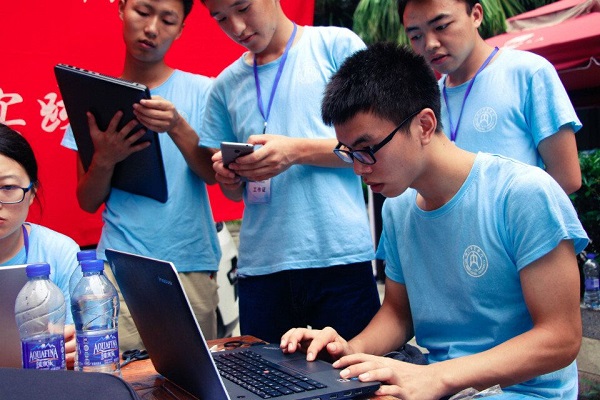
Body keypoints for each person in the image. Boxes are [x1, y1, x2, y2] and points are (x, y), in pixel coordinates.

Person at [280, 42, 589, 399]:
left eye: (368, 149)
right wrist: (349, 350)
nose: (359, 168)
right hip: (437, 381)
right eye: (349, 153)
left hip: (525, 391)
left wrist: (439, 377)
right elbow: (399, 313)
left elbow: (560, 337)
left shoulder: (521, 194)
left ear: (424, 125)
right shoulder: (397, 209)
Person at [199, 0, 380, 344]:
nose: (236, 27)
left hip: (338, 255)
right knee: (263, 375)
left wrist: (294, 152)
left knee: (358, 368)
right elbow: (233, 194)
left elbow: (374, 144)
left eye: (243, 8)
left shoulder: (335, 46)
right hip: (262, 265)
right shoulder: (225, 86)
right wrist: (229, 177)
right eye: (221, 18)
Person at [61, 0, 221, 350]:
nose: (151, 29)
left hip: (189, 263)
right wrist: (105, 158)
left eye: (167, 20)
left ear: (181, 29)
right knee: (118, 375)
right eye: (143, 12)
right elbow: (87, 200)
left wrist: (177, 125)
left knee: (196, 375)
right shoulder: (91, 98)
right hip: (119, 266)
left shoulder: (204, 91)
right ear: (121, 8)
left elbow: (213, 174)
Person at [398, 0, 582, 194]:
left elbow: (566, 178)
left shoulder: (528, 73)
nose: (430, 44)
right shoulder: (424, 101)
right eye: (416, 36)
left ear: (476, 15)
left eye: (441, 26)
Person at [0, 123, 80, 369]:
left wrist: (74, 348)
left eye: (8, 187)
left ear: (32, 192)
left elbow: (80, 339)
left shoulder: (60, 252)